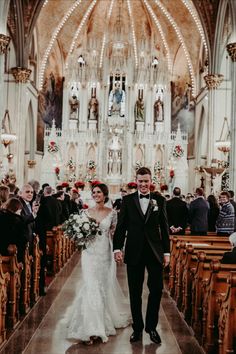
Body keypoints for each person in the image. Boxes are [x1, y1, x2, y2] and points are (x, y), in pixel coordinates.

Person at [67, 183, 130, 344]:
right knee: (90, 285)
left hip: (105, 253)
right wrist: (79, 236)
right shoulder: (85, 212)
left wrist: (118, 251)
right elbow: (78, 234)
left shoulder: (112, 213)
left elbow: (116, 234)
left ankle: (100, 322)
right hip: (89, 253)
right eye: (94, 192)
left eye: (99, 192)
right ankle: (90, 328)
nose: (95, 194)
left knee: (102, 286)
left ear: (105, 194)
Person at [113, 167, 170, 344]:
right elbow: (121, 227)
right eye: (141, 181)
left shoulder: (159, 200)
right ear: (136, 181)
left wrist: (167, 252)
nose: (143, 184)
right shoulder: (128, 200)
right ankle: (137, 328)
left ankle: (151, 328)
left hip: (154, 252)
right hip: (134, 250)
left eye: (146, 181)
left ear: (151, 181)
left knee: (156, 290)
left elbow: (165, 228)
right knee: (135, 292)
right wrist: (117, 248)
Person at [0, 198, 27, 263]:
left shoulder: (2, 216)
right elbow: (22, 241)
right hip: (12, 256)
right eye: (20, 211)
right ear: (17, 209)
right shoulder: (17, 221)